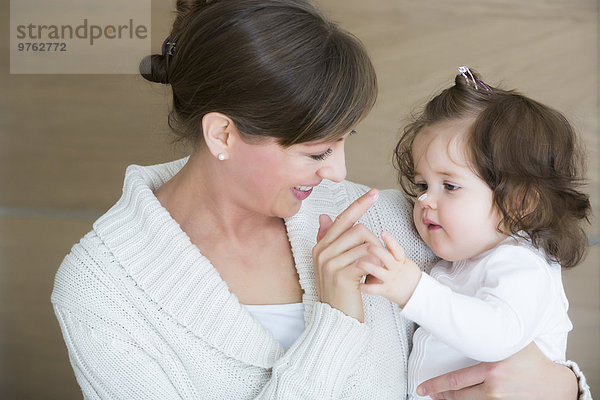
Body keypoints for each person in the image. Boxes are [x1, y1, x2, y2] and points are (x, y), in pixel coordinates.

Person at [50, 1, 591, 398]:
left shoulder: (392, 223)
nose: (341, 173)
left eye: (343, 144)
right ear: (222, 135)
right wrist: (335, 320)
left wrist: (565, 388)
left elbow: (516, 320)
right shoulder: (104, 296)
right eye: (316, 153)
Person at [356, 67, 593, 399]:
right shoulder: (460, 259)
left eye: (449, 186)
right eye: (422, 185)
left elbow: (497, 335)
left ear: (519, 202)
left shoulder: (522, 264)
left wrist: (414, 290)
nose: (424, 200)